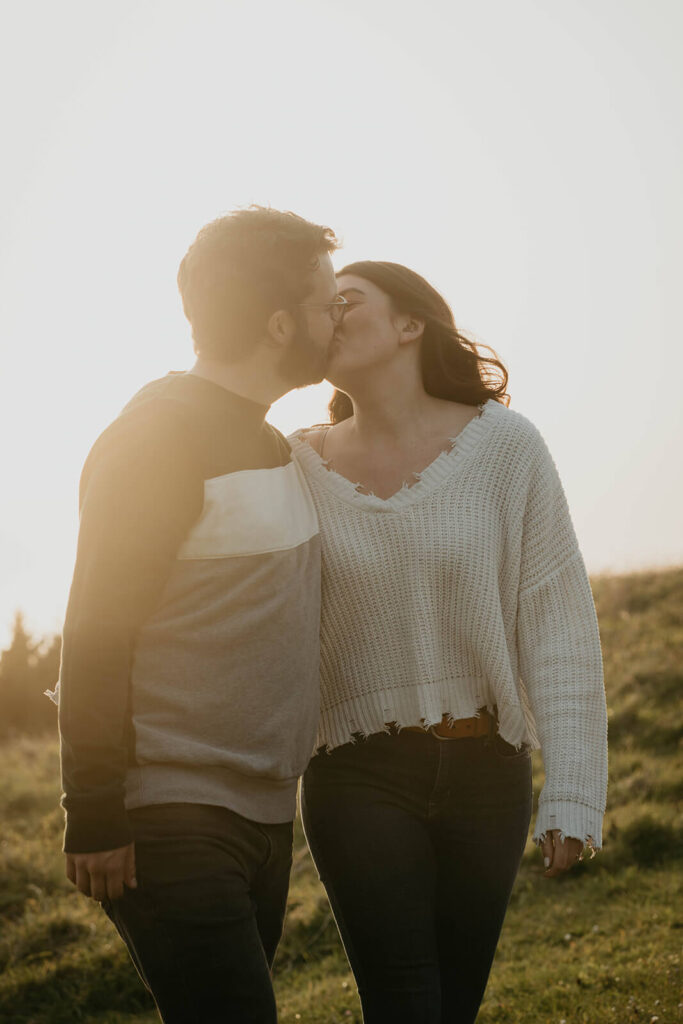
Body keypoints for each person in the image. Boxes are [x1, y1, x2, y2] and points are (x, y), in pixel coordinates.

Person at [289, 261, 608, 1024]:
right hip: (356, 776)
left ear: (409, 326)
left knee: (452, 1005)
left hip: (485, 776)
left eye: (347, 301)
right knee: (403, 1002)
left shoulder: (507, 449)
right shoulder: (294, 464)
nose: (326, 316)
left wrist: (572, 792)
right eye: (318, 305)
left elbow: (557, 623)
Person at [53, 206, 343, 1023]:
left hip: (260, 813)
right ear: (281, 323)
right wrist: (95, 810)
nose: (339, 319)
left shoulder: (273, 446)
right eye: (328, 305)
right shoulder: (158, 438)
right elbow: (97, 629)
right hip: (170, 818)